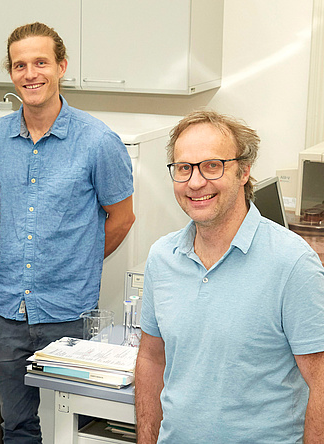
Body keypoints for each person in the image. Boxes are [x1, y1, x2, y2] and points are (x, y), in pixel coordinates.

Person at [0, 22, 135, 443]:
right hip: (7, 311)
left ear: (61, 66)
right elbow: (2, 209)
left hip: (69, 312)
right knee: (17, 427)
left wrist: (75, 259)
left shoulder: (98, 141)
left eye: (41, 62)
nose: (31, 74)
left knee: (74, 428)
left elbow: (122, 218)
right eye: (20, 65)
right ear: (11, 73)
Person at [134, 110, 324, 443]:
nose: (195, 182)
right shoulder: (162, 258)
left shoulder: (293, 264)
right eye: (184, 168)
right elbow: (152, 358)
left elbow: (321, 382)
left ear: (244, 171)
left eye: (212, 165)